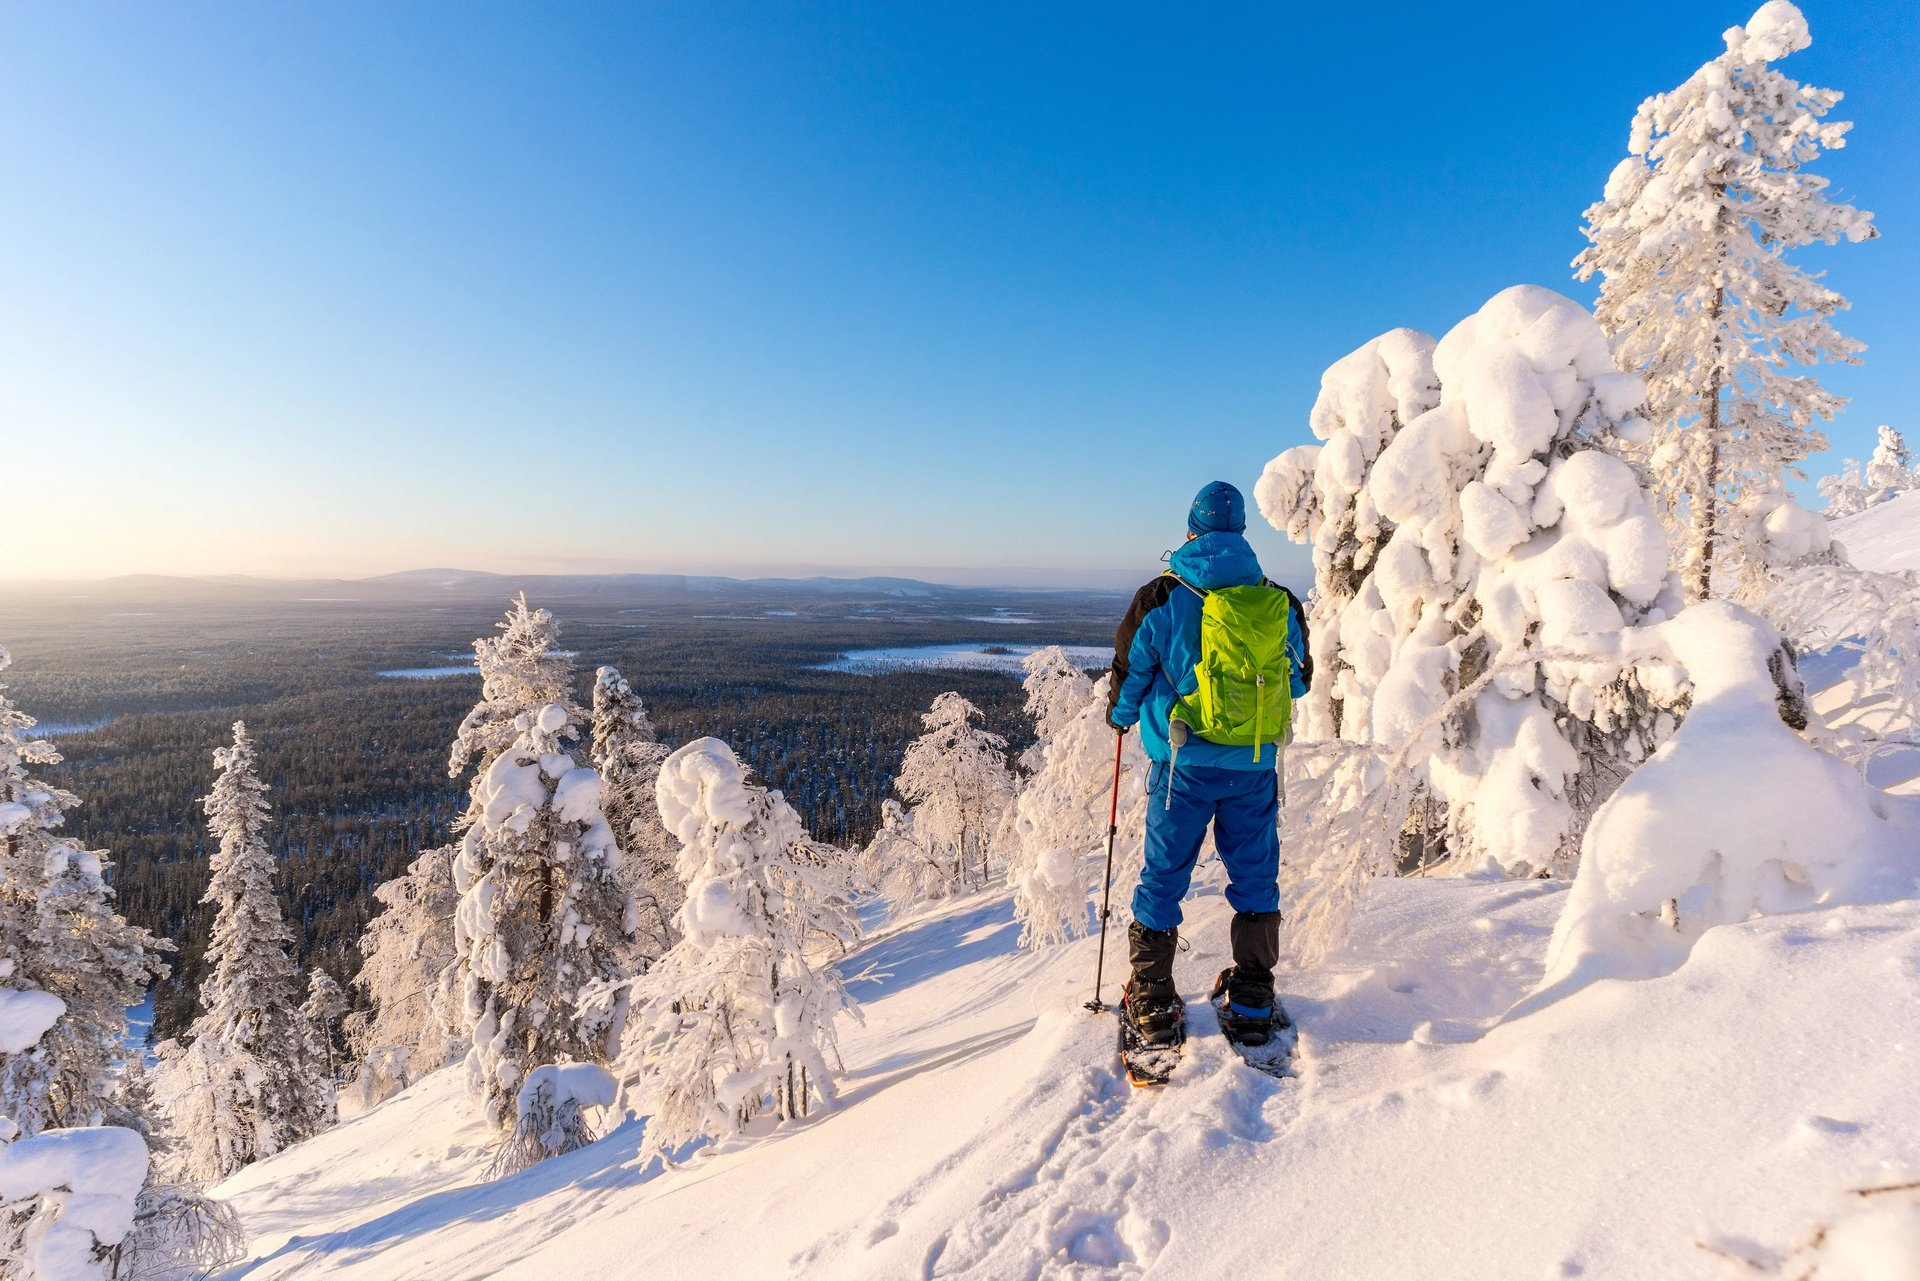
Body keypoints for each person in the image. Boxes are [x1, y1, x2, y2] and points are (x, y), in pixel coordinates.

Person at [1106, 480, 1311, 1049]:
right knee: (1255, 875)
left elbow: (1131, 671)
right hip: (1253, 765)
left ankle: (1152, 998)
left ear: (1191, 532)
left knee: (1164, 875)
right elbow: (1299, 681)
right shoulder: (1277, 601)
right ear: (1241, 531)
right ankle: (1252, 995)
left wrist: (1120, 718)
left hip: (1182, 768)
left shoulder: (1161, 597)